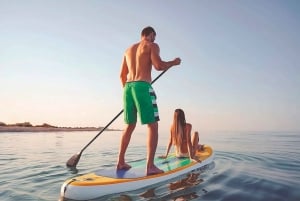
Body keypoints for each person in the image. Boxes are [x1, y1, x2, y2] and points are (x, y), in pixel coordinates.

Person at [117, 26, 181, 175]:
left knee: (129, 125)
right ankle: (150, 166)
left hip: (127, 88)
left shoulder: (128, 50)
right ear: (150, 34)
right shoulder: (151, 45)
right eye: (154, 36)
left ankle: (120, 162)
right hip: (143, 86)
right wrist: (173, 62)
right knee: (153, 126)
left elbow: (122, 75)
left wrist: (131, 93)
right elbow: (158, 66)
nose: (155, 39)